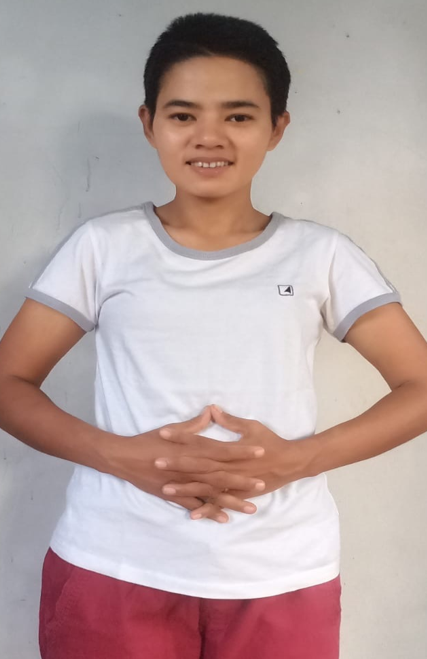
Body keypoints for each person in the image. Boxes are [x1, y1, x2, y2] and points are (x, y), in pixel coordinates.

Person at [1, 11, 427, 659]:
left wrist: (299, 458)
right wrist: (119, 455)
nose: (209, 136)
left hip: (282, 571)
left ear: (276, 127)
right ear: (148, 123)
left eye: (238, 115)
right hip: (114, 562)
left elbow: (418, 385)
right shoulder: (102, 247)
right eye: (182, 114)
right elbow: (9, 382)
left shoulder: (320, 256)